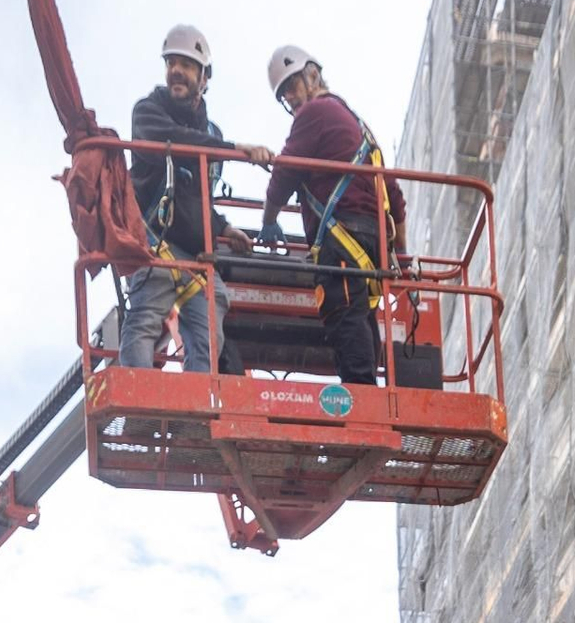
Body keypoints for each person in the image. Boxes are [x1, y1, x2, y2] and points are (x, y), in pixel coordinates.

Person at [253, 47, 406, 386]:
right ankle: (367, 397)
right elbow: (393, 193)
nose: (291, 97)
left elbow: (284, 174)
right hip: (370, 243)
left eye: (292, 85)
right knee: (361, 317)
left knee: (345, 316)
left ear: (313, 74)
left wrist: (268, 218)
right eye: (284, 94)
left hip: (342, 239)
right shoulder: (358, 125)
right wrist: (404, 259)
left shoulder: (314, 113)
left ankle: (361, 402)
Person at [122, 24, 254, 374]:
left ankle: (194, 416)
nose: (176, 70)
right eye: (171, 63)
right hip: (157, 243)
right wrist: (231, 149)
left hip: (194, 255)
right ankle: (140, 404)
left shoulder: (211, 135)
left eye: (187, 64)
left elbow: (197, 199)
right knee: (145, 320)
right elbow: (172, 140)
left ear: (204, 77)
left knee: (210, 320)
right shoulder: (148, 112)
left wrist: (225, 227)